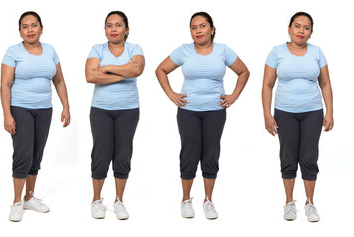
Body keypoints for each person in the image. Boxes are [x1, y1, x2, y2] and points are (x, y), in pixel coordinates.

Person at [156, 12, 249, 219]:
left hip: (215, 111)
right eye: (194, 27)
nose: (198, 31)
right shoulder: (184, 51)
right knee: (190, 153)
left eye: (202, 26)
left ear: (212, 29)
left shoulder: (223, 51)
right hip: (188, 111)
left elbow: (244, 72)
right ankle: (186, 200)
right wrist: (171, 94)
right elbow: (161, 70)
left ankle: (208, 200)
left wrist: (233, 96)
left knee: (210, 153)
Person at [262, 12, 333, 222]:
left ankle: (310, 203)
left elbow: (326, 83)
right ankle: (289, 202)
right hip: (285, 113)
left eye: (306, 27)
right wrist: (267, 114)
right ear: (289, 28)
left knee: (309, 157)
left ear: (311, 32)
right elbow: (267, 85)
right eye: (297, 26)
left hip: (312, 111)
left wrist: (330, 111)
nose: (301, 31)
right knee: (288, 156)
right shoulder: (276, 52)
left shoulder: (317, 52)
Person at [1, 11, 71, 222]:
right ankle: (16, 203)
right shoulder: (13, 52)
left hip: (44, 110)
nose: (30, 30)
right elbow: (5, 85)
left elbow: (59, 81)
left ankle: (29, 198)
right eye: (25, 26)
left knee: (36, 154)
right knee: (23, 154)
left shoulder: (50, 51)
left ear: (41, 28)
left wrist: (66, 106)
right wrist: (7, 114)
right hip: (20, 108)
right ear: (20, 30)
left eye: (33, 25)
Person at [85, 11, 145, 220]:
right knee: (101, 153)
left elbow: (137, 70)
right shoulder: (97, 49)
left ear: (126, 29)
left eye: (118, 25)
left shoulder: (135, 49)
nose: (113, 29)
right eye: (109, 25)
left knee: (122, 153)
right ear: (105, 30)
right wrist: (124, 72)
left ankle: (119, 200)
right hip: (101, 110)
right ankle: (96, 200)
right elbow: (90, 75)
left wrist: (108, 68)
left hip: (128, 110)